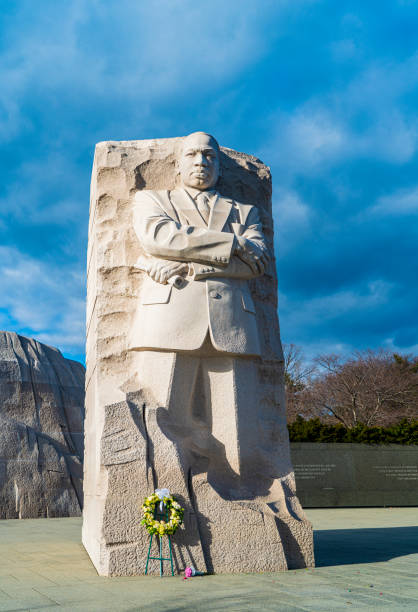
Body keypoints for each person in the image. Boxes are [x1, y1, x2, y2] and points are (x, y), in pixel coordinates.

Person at [129, 131, 270, 478]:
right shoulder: (153, 200)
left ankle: (242, 491)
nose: (201, 162)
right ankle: (166, 495)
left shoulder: (246, 212)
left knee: (236, 423)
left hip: (233, 322)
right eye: (192, 155)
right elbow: (159, 237)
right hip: (168, 318)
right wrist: (231, 243)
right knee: (162, 417)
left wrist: (193, 264)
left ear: (219, 167)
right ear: (177, 165)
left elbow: (257, 263)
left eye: (209, 156)